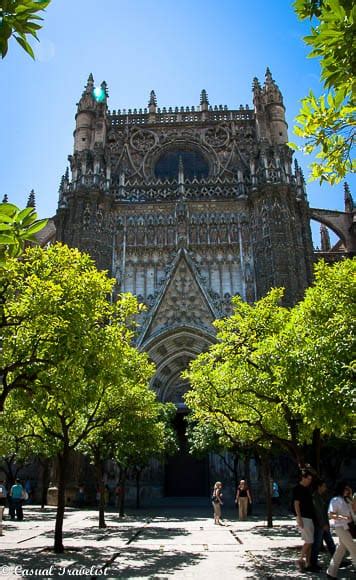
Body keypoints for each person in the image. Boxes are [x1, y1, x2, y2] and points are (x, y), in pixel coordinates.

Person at [326, 482, 356, 579]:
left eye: (349, 489)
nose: (347, 490)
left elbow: (354, 509)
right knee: (353, 548)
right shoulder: (335, 500)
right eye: (346, 489)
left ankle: (330, 573)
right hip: (340, 527)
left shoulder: (347, 500)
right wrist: (342, 517)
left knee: (341, 550)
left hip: (348, 527)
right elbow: (331, 514)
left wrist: (351, 496)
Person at [292, 468, 315, 571]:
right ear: (303, 478)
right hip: (303, 517)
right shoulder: (298, 488)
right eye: (308, 479)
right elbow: (296, 503)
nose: (310, 481)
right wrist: (299, 518)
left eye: (311, 479)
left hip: (309, 517)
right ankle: (300, 559)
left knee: (308, 540)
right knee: (309, 541)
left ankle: (307, 563)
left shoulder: (307, 489)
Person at [311, 479, 335, 572]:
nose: (325, 488)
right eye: (324, 486)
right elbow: (318, 512)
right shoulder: (315, 497)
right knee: (317, 544)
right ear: (319, 486)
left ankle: (336, 560)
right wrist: (323, 524)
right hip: (319, 524)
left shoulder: (321, 496)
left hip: (323, 523)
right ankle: (313, 563)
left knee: (330, 542)